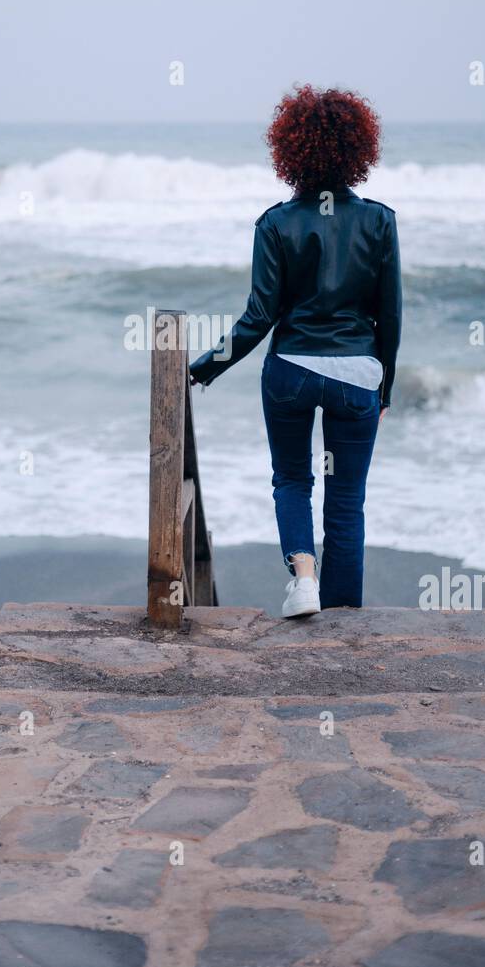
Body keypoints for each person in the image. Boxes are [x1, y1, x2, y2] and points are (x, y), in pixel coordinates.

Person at [189, 85, 402, 617]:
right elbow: (391, 315)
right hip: (358, 374)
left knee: (292, 479)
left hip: (291, 373)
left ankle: (304, 579)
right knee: (347, 502)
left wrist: (202, 369)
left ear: (292, 150)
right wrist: (386, 384)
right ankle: (344, 620)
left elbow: (259, 317)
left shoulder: (275, 223)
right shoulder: (379, 221)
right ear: (359, 149)